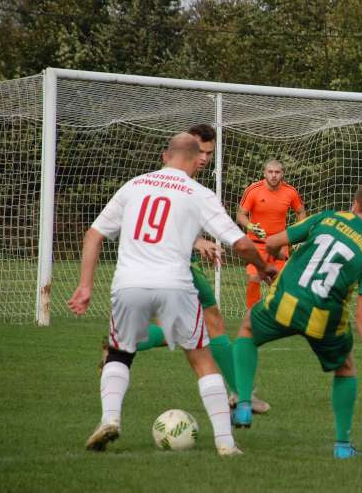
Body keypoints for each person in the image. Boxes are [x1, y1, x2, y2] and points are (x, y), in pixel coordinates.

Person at [68, 133, 277, 456]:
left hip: (128, 284)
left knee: (120, 353)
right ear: (195, 161)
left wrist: (85, 286)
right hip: (175, 284)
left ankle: (109, 419)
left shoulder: (134, 185)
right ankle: (225, 443)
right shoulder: (198, 193)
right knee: (202, 359)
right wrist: (262, 267)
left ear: (166, 156)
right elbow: (242, 244)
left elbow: (93, 235)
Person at [230, 182, 362, 459]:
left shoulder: (329, 217)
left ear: (353, 205)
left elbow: (273, 242)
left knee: (247, 327)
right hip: (324, 317)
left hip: (287, 300)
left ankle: (244, 402)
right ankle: (343, 447)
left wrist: (273, 259)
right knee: (344, 368)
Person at [120, 124, 269, 414]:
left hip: (172, 262)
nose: (203, 158)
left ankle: (126, 342)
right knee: (213, 322)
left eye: (209, 153)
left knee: (185, 329)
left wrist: (199, 240)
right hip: (176, 264)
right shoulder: (175, 181)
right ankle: (240, 393)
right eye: (199, 151)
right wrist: (198, 240)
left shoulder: (177, 180)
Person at [236, 159, 307, 310]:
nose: (274, 175)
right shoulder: (253, 190)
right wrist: (251, 226)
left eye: (277, 172)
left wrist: (299, 233)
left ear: (282, 174)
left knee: (279, 282)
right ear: (264, 173)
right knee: (255, 277)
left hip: (279, 245)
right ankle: (252, 313)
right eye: (270, 172)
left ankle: (280, 313)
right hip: (256, 244)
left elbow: (301, 212)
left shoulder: (290, 192)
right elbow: (240, 215)